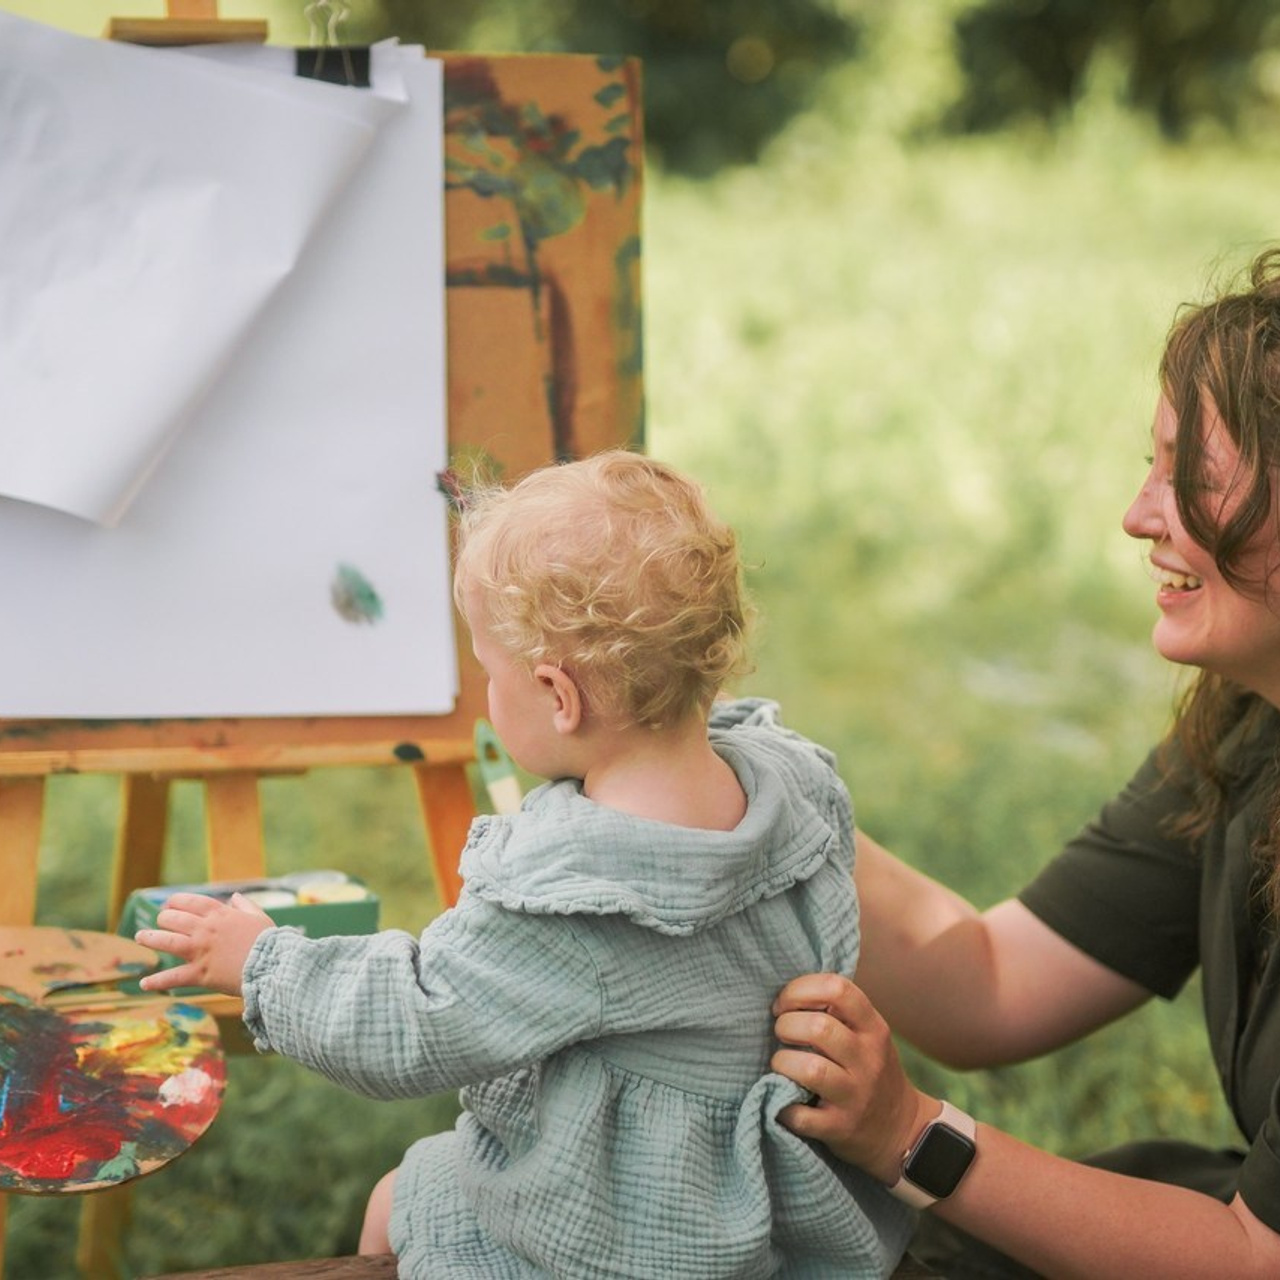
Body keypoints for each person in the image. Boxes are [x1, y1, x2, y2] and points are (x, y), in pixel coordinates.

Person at [135, 450, 914, 1278]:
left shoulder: (581, 898)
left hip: (626, 1229)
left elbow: (416, 1018)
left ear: (558, 695)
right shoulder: (792, 793)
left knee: (399, 1201)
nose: (485, 693)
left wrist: (261, 961)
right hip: (776, 1198)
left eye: (488, 671)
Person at [769, 247, 1280, 1279]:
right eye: (1151, 464)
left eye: (1191, 476)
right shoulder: (1244, 726)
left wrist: (911, 1136)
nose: (1139, 513)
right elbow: (987, 981)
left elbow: (1251, 1258)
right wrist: (752, 801)